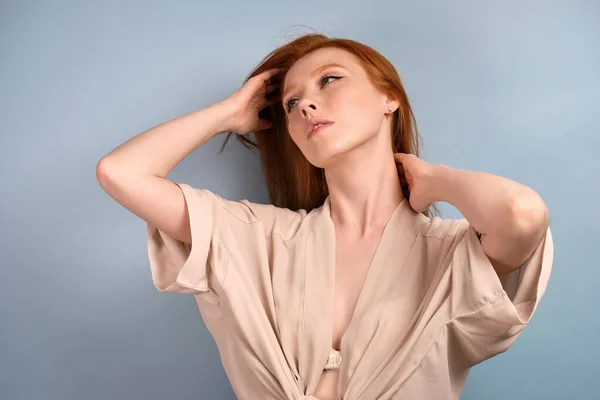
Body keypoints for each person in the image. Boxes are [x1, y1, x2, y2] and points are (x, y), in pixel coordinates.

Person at [96, 33, 554, 400]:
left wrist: (433, 179)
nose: (307, 105)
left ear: (387, 98)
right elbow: (120, 172)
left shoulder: (452, 255)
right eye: (291, 104)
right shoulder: (259, 238)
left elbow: (521, 214)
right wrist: (228, 113)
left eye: (329, 80)